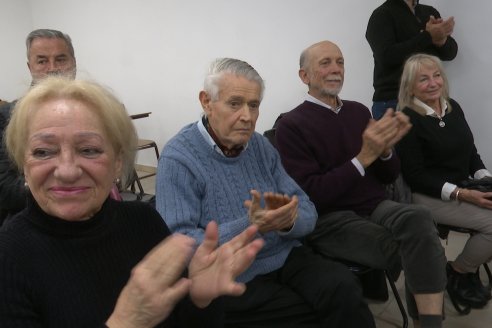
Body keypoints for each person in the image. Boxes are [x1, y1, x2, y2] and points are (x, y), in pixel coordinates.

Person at [0, 77, 265, 328]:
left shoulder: (143, 221)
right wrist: (125, 322)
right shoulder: (9, 256)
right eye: (43, 152)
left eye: (89, 149)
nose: (67, 171)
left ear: (117, 162)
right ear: (24, 164)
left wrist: (199, 299)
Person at [156, 57, 375, 328]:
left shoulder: (260, 146)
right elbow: (181, 245)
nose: (247, 116)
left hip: (285, 256)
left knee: (345, 290)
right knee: (305, 314)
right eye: (234, 103)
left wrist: (288, 222)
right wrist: (251, 225)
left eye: (254, 105)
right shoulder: (179, 158)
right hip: (230, 273)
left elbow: (306, 208)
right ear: (206, 101)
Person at [275, 40, 447, 327]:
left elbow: (388, 175)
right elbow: (314, 195)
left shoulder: (358, 112)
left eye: (340, 62)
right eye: (325, 62)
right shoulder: (291, 126)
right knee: (422, 247)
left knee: (420, 218)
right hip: (330, 219)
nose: (336, 69)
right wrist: (363, 157)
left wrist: (386, 150)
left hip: (376, 206)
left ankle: (429, 324)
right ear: (304, 76)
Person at [395, 53, 492, 308]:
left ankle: (466, 271)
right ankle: (459, 272)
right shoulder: (407, 119)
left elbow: (471, 153)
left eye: (436, 75)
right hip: (428, 195)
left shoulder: (452, 106)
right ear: (410, 86)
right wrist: (462, 194)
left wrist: (486, 180)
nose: (433, 83)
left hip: (462, 187)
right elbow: (416, 176)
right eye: (423, 79)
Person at [0, 28, 77, 224]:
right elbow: (4, 189)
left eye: (61, 59)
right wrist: (68, 189)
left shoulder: (97, 111)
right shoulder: (6, 117)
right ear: (30, 67)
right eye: (42, 61)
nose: (52, 68)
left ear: (74, 62)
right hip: (31, 222)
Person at [366, 0, 458, 119]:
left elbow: (450, 53)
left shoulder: (429, 12)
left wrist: (441, 40)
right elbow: (386, 56)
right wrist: (428, 36)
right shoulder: (381, 15)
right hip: (395, 100)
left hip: (430, 98)